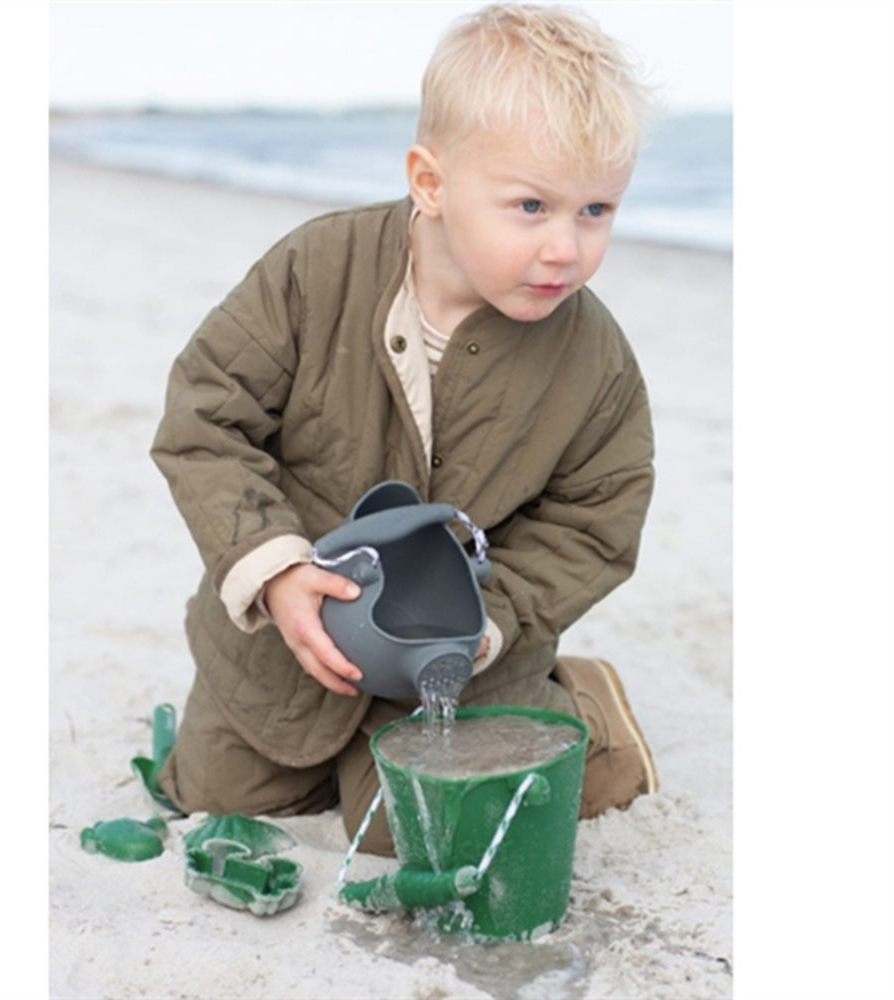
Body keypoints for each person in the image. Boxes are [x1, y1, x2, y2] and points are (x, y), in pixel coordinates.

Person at [151, 3, 659, 855]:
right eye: (531, 206)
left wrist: (492, 621)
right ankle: (309, 726)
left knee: (410, 829)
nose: (566, 249)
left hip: (460, 647)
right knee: (214, 791)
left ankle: (587, 709)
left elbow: (597, 519)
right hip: (293, 635)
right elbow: (205, 417)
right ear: (431, 183)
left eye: (596, 210)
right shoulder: (315, 271)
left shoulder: (594, 357)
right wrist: (273, 567)